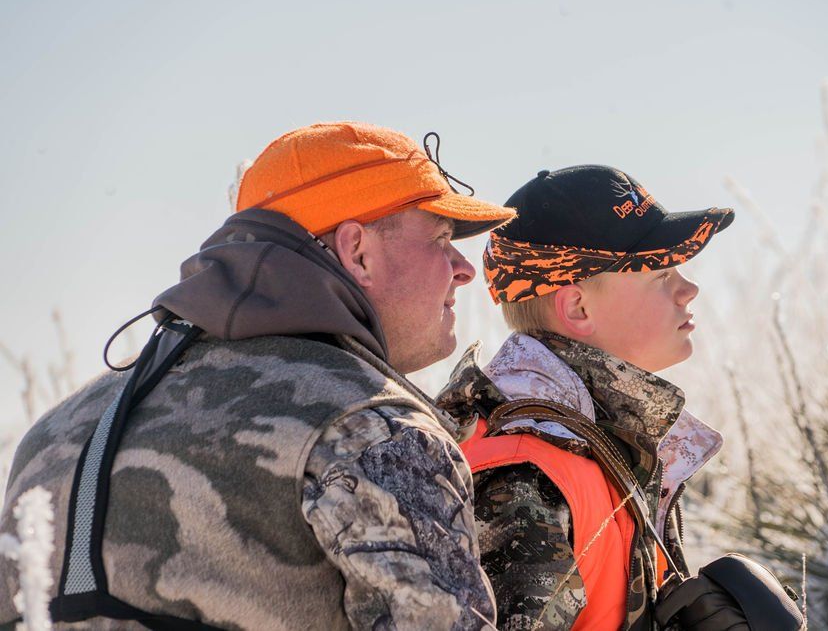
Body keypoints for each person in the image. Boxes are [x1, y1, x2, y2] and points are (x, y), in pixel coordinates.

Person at [0, 122, 515, 629]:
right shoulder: (374, 430)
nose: (463, 267)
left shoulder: (56, 432)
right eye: (442, 238)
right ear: (358, 251)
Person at [437, 165, 734, 629]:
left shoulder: (598, 440)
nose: (688, 289)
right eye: (658, 273)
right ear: (578, 307)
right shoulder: (525, 474)